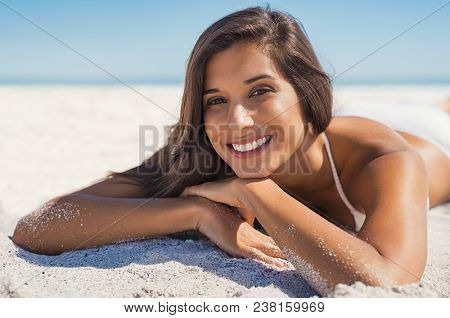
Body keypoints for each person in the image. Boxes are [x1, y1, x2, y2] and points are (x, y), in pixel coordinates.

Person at [10, 6, 449, 296]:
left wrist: (255, 191)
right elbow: (39, 226)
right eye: (215, 100)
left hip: (431, 136)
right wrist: (194, 213)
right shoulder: (205, 149)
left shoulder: (384, 156)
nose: (236, 123)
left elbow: (386, 283)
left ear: (308, 88)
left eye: (260, 90)